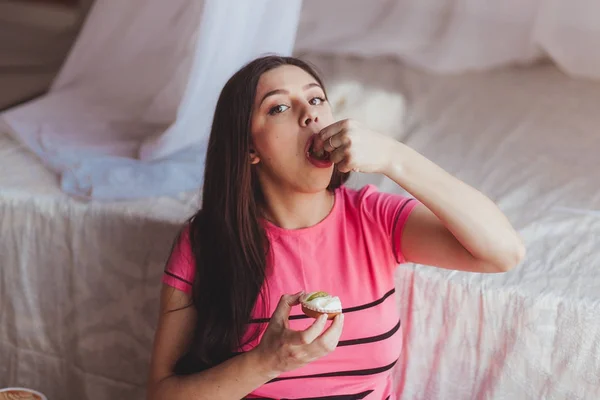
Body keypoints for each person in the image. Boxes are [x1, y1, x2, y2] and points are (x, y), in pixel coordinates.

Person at [146, 55, 525, 399]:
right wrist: (266, 361)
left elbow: (503, 252)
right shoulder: (205, 242)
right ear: (249, 149)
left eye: (316, 100)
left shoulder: (372, 217)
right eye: (279, 107)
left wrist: (395, 157)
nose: (310, 115)